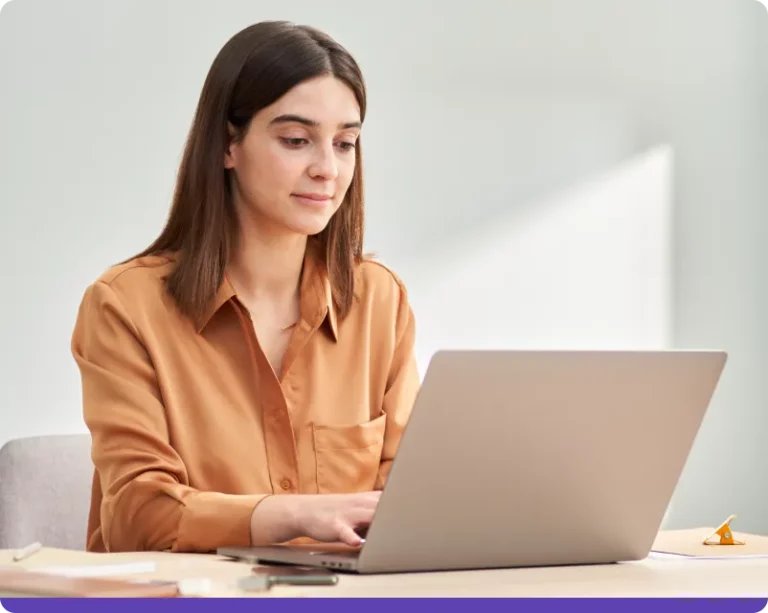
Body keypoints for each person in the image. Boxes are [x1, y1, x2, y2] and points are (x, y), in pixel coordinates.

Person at [71, 20, 419, 554]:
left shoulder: (380, 302)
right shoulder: (125, 307)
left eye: (345, 143)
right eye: (296, 140)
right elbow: (138, 517)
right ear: (228, 144)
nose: (327, 168)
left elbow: (413, 501)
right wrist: (294, 514)